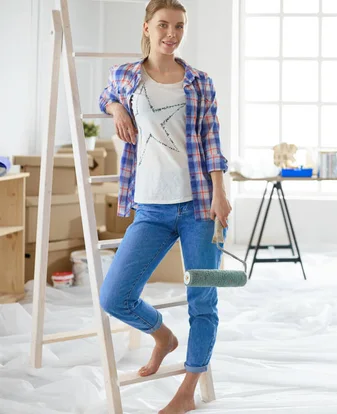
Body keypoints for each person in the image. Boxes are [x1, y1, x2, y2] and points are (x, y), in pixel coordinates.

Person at [97, 1, 231, 412]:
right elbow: (106, 95)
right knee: (114, 296)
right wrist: (116, 106)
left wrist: (220, 193)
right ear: (147, 28)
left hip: (199, 208)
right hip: (150, 209)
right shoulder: (125, 76)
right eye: (163, 25)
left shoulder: (200, 82)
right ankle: (162, 337)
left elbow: (211, 141)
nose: (171, 33)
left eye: (179, 26)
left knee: (204, 300)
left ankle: (187, 392)